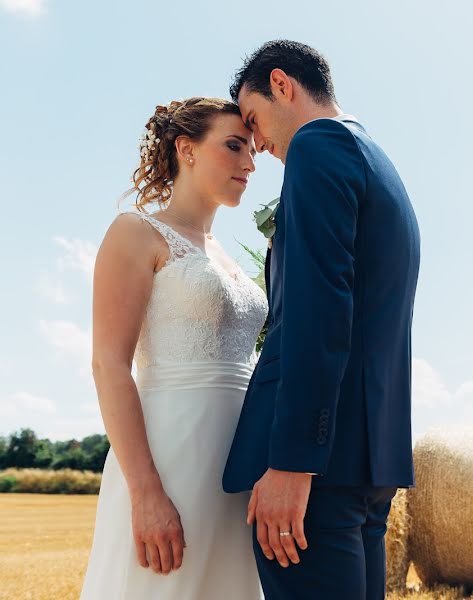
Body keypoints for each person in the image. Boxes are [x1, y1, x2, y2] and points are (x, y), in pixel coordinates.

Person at [222, 40, 421, 600]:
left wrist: (292, 461)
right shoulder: (375, 157)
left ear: (282, 84)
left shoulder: (318, 144)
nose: (257, 145)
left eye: (255, 120)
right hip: (369, 456)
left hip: (318, 466)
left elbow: (318, 310)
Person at [80, 97, 266, 599]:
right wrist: (146, 493)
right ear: (186, 149)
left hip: (237, 468)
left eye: (252, 150)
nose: (249, 163)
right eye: (233, 146)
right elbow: (109, 366)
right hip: (171, 459)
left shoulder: (226, 255)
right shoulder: (136, 233)